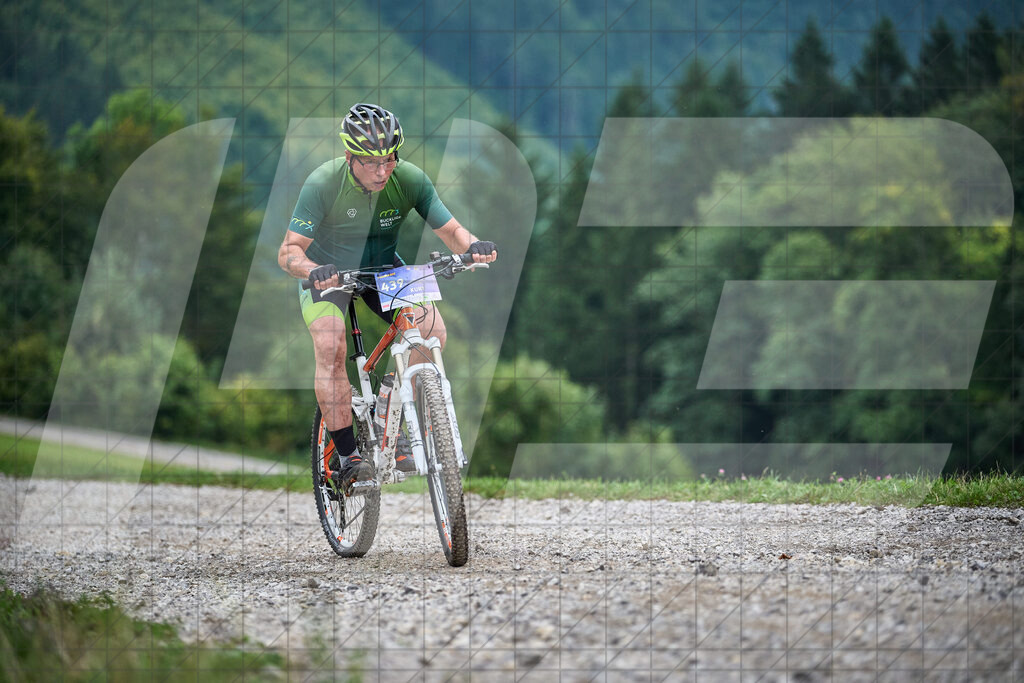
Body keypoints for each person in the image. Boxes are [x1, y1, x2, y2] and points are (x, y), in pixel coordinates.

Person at [278, 103, 497, 486]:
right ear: (349, 156)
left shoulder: (409, 179)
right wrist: (314, 270)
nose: (382, 171)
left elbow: (452, 231)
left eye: (389, 159)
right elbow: (289, 251)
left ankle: (388, 416)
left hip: (384, 270)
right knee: (331, 348)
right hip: (330, 276)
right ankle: (347, 456)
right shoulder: (323, 182)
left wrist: (474, 246)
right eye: (370, 162)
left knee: (431, 334)